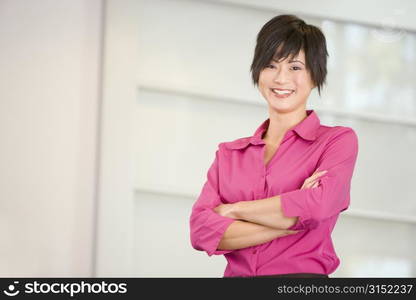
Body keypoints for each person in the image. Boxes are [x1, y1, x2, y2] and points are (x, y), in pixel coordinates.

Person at [189, 14, 359, 278]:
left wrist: (234, 210)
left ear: (315, 75)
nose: (281, 78)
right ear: (258, 72)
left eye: (295, 67)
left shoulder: (337, 141)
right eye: (270, 65)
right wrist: (291, 222)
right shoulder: (229, 154)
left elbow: (320, 206)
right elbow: (201, 231)